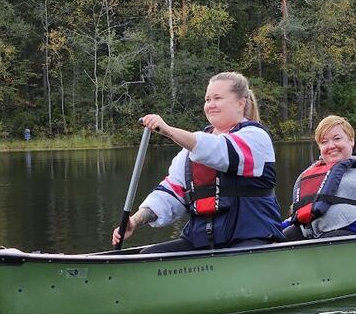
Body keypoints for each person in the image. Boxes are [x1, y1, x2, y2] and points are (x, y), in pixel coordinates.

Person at [112, 71, 283, 252]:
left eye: (217, 98)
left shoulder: (255, 138)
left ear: (241, 103)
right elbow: (170, 193)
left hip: (250, 238)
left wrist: (169, 131)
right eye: (207, 100)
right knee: (147, 255)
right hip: (203, 240)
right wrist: (135, 220)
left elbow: (219, 150)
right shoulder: (190, 151)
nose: (210, 105)